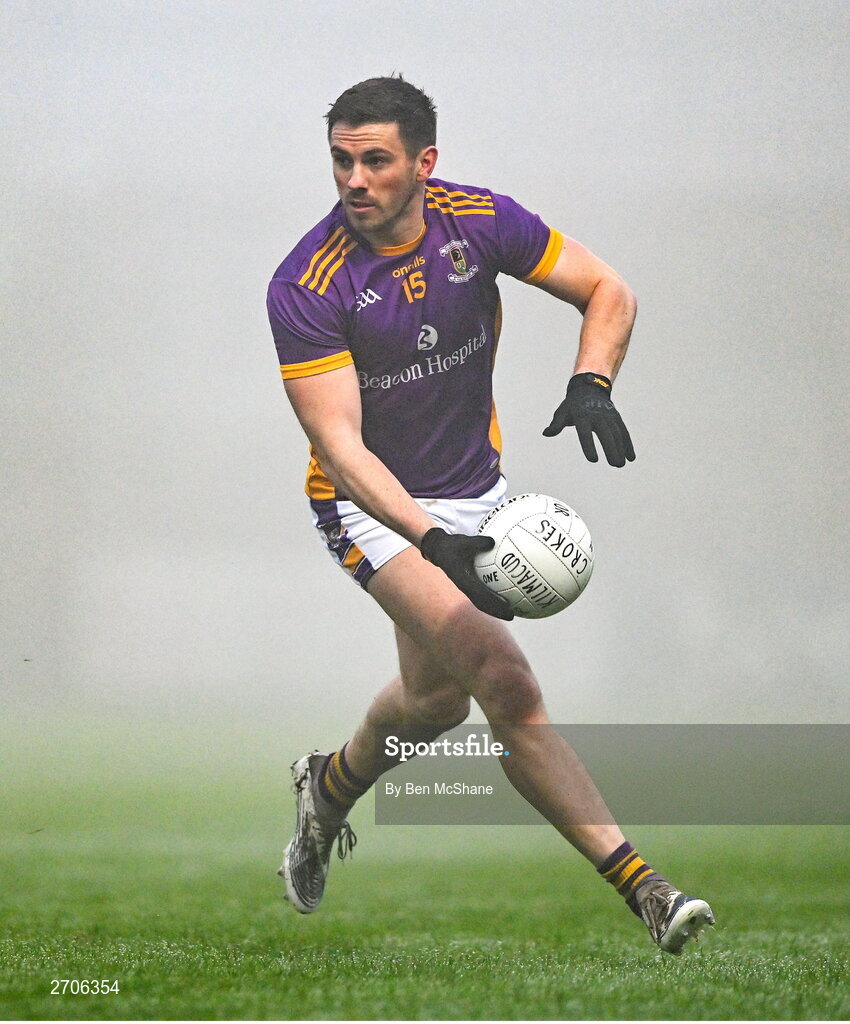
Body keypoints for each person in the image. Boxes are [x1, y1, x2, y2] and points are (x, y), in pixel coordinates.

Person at [266, 74, 714, 954]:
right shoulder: (306, 283)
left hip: (478, 489)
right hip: (370, 506)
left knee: (435, 705)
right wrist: (434, 542)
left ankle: (329, 786)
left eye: (376, 161)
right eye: (341, 160)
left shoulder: (478, 219)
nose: (354, 180)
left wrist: (592, 382)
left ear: (424, 164)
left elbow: (609, 290)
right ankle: (647, 889)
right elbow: (344, 451)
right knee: (502, 678)